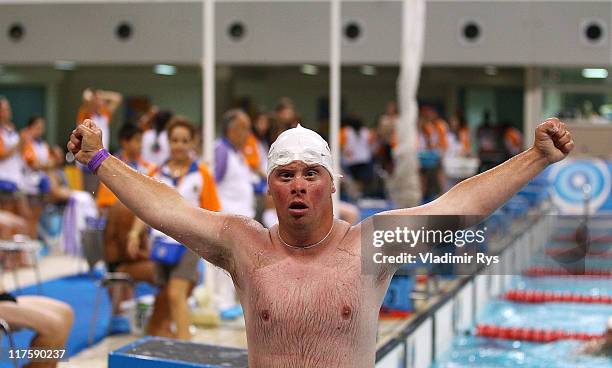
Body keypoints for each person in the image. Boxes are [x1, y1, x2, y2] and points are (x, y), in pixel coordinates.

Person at [68, 116, 574, 367]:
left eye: (312, 173)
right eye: (285, 175)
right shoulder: (244, 246)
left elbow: (458, 206)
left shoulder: (372, 246)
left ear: (331, 183)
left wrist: (536, 157)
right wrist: (98, 161)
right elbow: (168, 209)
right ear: (269, 186)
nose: (298, 185)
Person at [126, 116, 221, 339]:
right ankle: (169, 336)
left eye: (184, 140)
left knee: (177, 294)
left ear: (192, 144)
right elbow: (144, 207)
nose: (179, 145)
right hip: (159, 243)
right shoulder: (156, 173)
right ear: (168, 142)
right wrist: (134, 233)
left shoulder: (202, 175)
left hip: (189, 243)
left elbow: (213, 212)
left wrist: (211, 244)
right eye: (175, 140)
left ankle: (185, 349)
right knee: (167, 295)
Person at [213, 109, 254, 314]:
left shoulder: (238, 154)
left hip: (240, 221)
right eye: (244, 128)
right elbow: (212, 184)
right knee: (223, 265)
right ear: (231, 130)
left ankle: (229, 302)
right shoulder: (220, 151)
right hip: (225, 220)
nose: (248, 133)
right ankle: (222, 303)